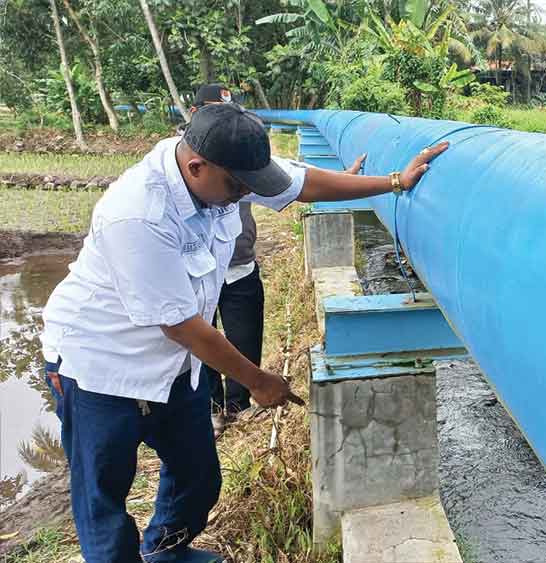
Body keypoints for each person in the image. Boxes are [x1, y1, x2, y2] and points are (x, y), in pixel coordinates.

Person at [40, 103, 447, 562]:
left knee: (197, 478)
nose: (244, 195)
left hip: (175, 367)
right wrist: (256, 380)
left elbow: (303, 184)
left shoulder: (223, 173)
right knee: (104, 498)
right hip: (99, 367)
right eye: (238, 187)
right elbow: (182, 326)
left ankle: (164, 552)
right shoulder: (137, 214)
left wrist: (393, 183)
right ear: (197, 167)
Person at [183, 84, 364, 437]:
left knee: (244, 339)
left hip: (239, 266)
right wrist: (263, 382)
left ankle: (238, 408)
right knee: (203, 341)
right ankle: (213, 410)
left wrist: (384, 182)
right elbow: (179, 326)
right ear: (194, 115)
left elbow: (296, 179)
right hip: (194, 277)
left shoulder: (236, 153)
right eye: (210, 110)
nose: (240, 191)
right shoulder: (185, 169)